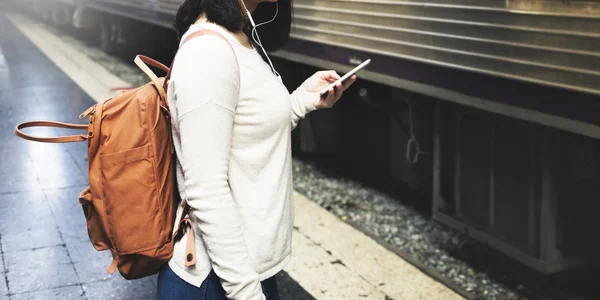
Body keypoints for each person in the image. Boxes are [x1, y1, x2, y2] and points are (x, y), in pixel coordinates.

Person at [156, 0, 357, 299]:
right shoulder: (208, 54)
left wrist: (302, 99)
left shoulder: (239, 36)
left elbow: (249, 130)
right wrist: (247, 293)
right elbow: (206, 189)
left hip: (245, 272)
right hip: (216, 281)